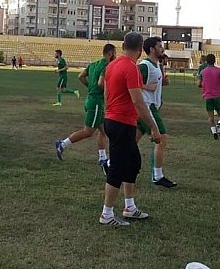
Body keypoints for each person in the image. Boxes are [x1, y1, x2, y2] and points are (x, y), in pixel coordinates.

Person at [99, 32, 161, 226]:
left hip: (115, 120)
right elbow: (138, 101)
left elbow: (107, 93)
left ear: (123, 45)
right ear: (141, 47)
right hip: (122, 122)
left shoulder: (112, 65)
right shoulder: (131, 68)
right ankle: (106, 214)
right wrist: (153, 127)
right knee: (117, 167)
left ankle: (129, 207)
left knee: (133, 162)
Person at [55, 44, 115, 173]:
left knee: (103, 131)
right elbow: (100, 83)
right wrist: (109, 92)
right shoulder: (106, 65)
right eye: (114, 53)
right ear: (110, 54)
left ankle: (102, 158)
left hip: (90, 100)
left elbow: (80, 76)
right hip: (96, 103)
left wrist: (90, 87)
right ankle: (62, 144)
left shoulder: (93, 64)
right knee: (88, 132)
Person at [136, 37, 177, 188]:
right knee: (162, 138)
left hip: (152, 105)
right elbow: (131, 82)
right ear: (152, 49)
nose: (162, 48)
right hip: (146, 107)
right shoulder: (144, 65)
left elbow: (154, 84)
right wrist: (147, 87)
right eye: (160, 46)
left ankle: (110, 163)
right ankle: (157, 176)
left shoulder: (155, 66)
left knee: (131, 142)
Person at [198, 54, 220, 139]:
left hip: (208, 96)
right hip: (218, 96)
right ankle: (219, 125)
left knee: (210, 118)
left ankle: (214, 132)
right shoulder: (219, 70)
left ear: (206, 61)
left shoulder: (203, 71)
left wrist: (204, 86)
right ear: (215, 61)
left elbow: (199, 84)